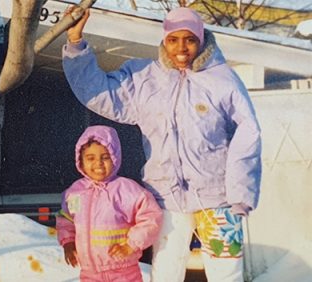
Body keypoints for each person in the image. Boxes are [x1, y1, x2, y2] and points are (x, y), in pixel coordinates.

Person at [62, 6, 262, 282]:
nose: (182, 47)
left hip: (219, 200)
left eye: (190, 39)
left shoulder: (223, 80)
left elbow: (247, 133)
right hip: (166, 197)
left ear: (202, 39)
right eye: (173, 39)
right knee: (166, 271)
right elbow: (99, 93)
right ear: (164, 40)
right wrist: (75, 43)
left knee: (226, 274)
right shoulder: (144, 78)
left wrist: (240, 194)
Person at [56, 125, 162, 282]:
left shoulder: (127, 190)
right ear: (81, 160)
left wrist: (131, 245)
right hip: (89, 273)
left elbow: (151, 218)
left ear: (115, 157)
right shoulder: (75, 192)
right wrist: (68, 243)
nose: (98, 163)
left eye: (105, 157)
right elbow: (67, 220)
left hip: (124, 272)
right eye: (90, 158)